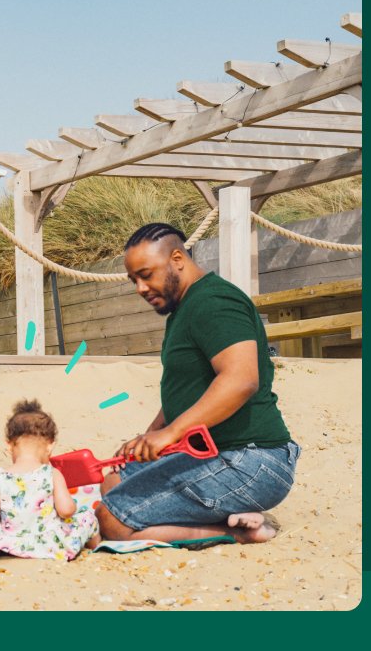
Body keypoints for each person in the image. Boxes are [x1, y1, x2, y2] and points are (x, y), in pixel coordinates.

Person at [95, 222, 300, 546]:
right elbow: (188, 391)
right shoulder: (185, 308)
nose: (140, 288)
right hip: (213, 453)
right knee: (113, 483)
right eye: (134, 279)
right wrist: (150, 438)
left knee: (113, 521)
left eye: (146, 274)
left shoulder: (214, 302)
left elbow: (241, 380)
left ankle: (238, 532)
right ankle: (229, 515)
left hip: (250, 459)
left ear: (177, 258)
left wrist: (171, 433)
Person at [0, 399, 100, 560]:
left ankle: (7, 549)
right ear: (50, 446)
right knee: (87, 516)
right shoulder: (52, 473)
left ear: (9, 445)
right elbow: (66, 510)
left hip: (11, 540)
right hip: (50, 544)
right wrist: (73, 506)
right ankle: (96, 545)